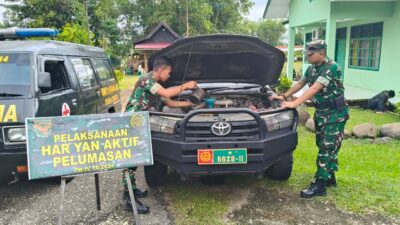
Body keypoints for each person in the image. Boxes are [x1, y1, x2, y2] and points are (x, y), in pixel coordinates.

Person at [269, 40, 349, 198]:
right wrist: (284, 96)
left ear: (322, 53)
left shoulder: (331, 67)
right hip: (322, 112)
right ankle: (330, 177)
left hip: (335, 113)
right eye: (307, 54)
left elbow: (315, 88)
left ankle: (320, 184)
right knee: (324, 144)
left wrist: (294, 103)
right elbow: (300, 83)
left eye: (311, 54)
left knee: (327, 148)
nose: (308, 57)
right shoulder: (312, 68)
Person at [123, 57, 197, 214]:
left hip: (141, 122)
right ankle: (128, 198)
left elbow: (170, 102)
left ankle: (132, 188)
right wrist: (186, 86)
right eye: (168, 73)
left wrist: (191, 105)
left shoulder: (156, 85)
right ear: (160, 70)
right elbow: (166, 92)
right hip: (133, 122)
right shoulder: (146, 80)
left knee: (137, 158)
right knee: (131, 158)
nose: (169, 76)